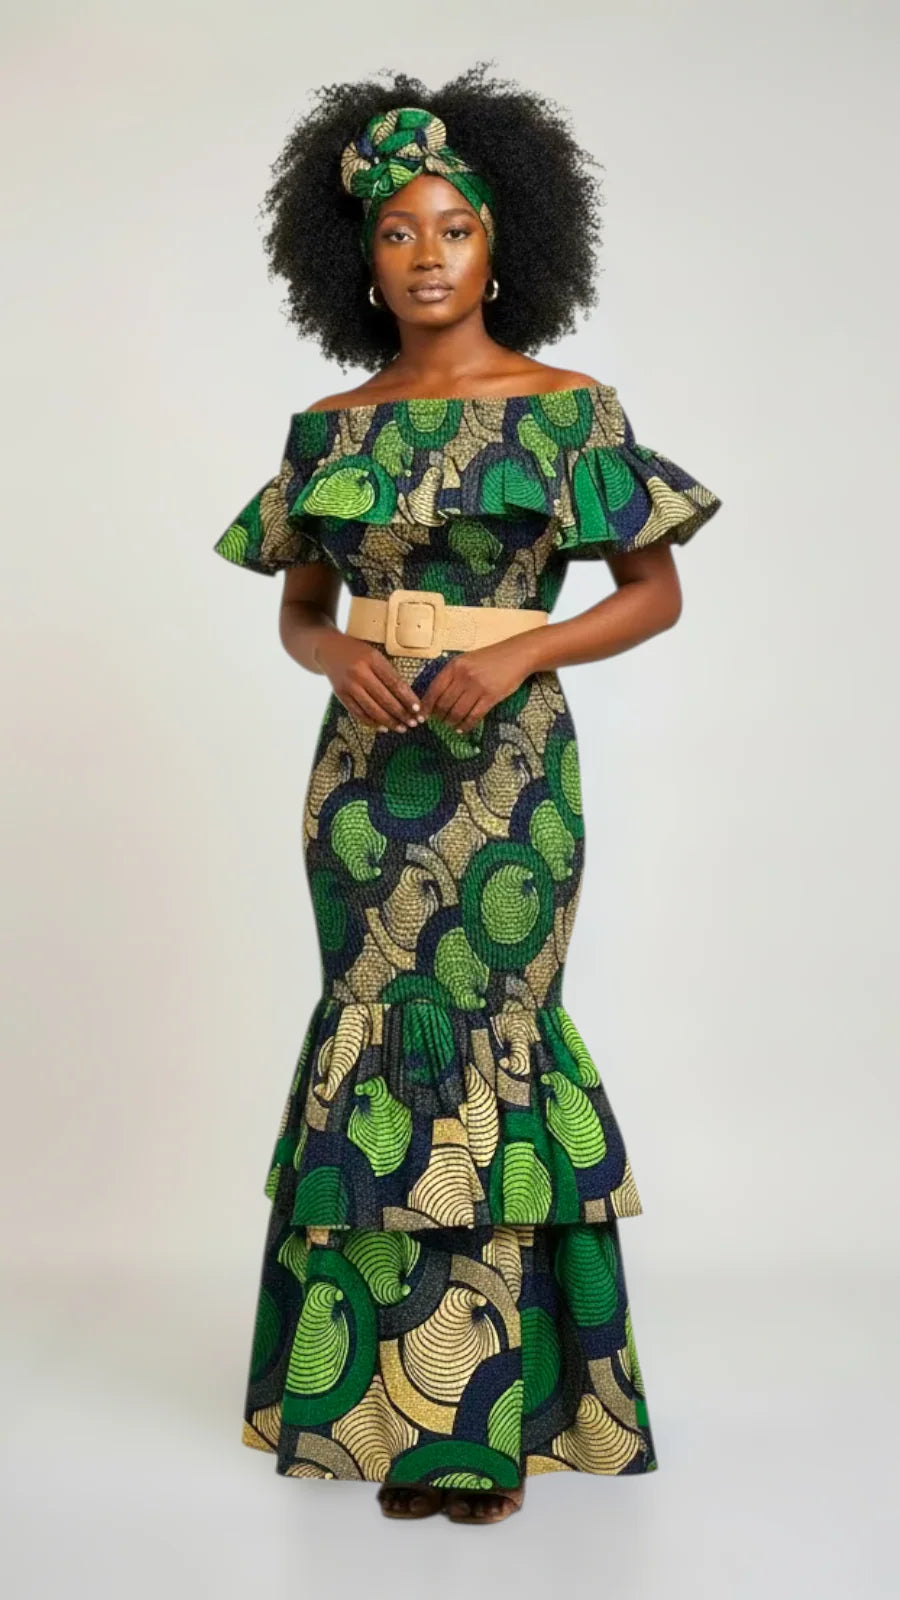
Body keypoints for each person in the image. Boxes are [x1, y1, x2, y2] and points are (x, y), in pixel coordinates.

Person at [213, 62, 723, 1525]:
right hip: (363, 786)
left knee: (491, 1051)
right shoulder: (330, 429)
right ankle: (368, 1412)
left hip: (508, 780)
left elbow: (654, 593)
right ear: (359, 261)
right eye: (398, 233)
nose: (427, 257)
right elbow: (300, 611)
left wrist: (524, 654)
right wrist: (333, 658)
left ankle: (483, 1424)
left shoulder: (568, 413)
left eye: (454, 228)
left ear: (505, 245)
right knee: (378, 1056)